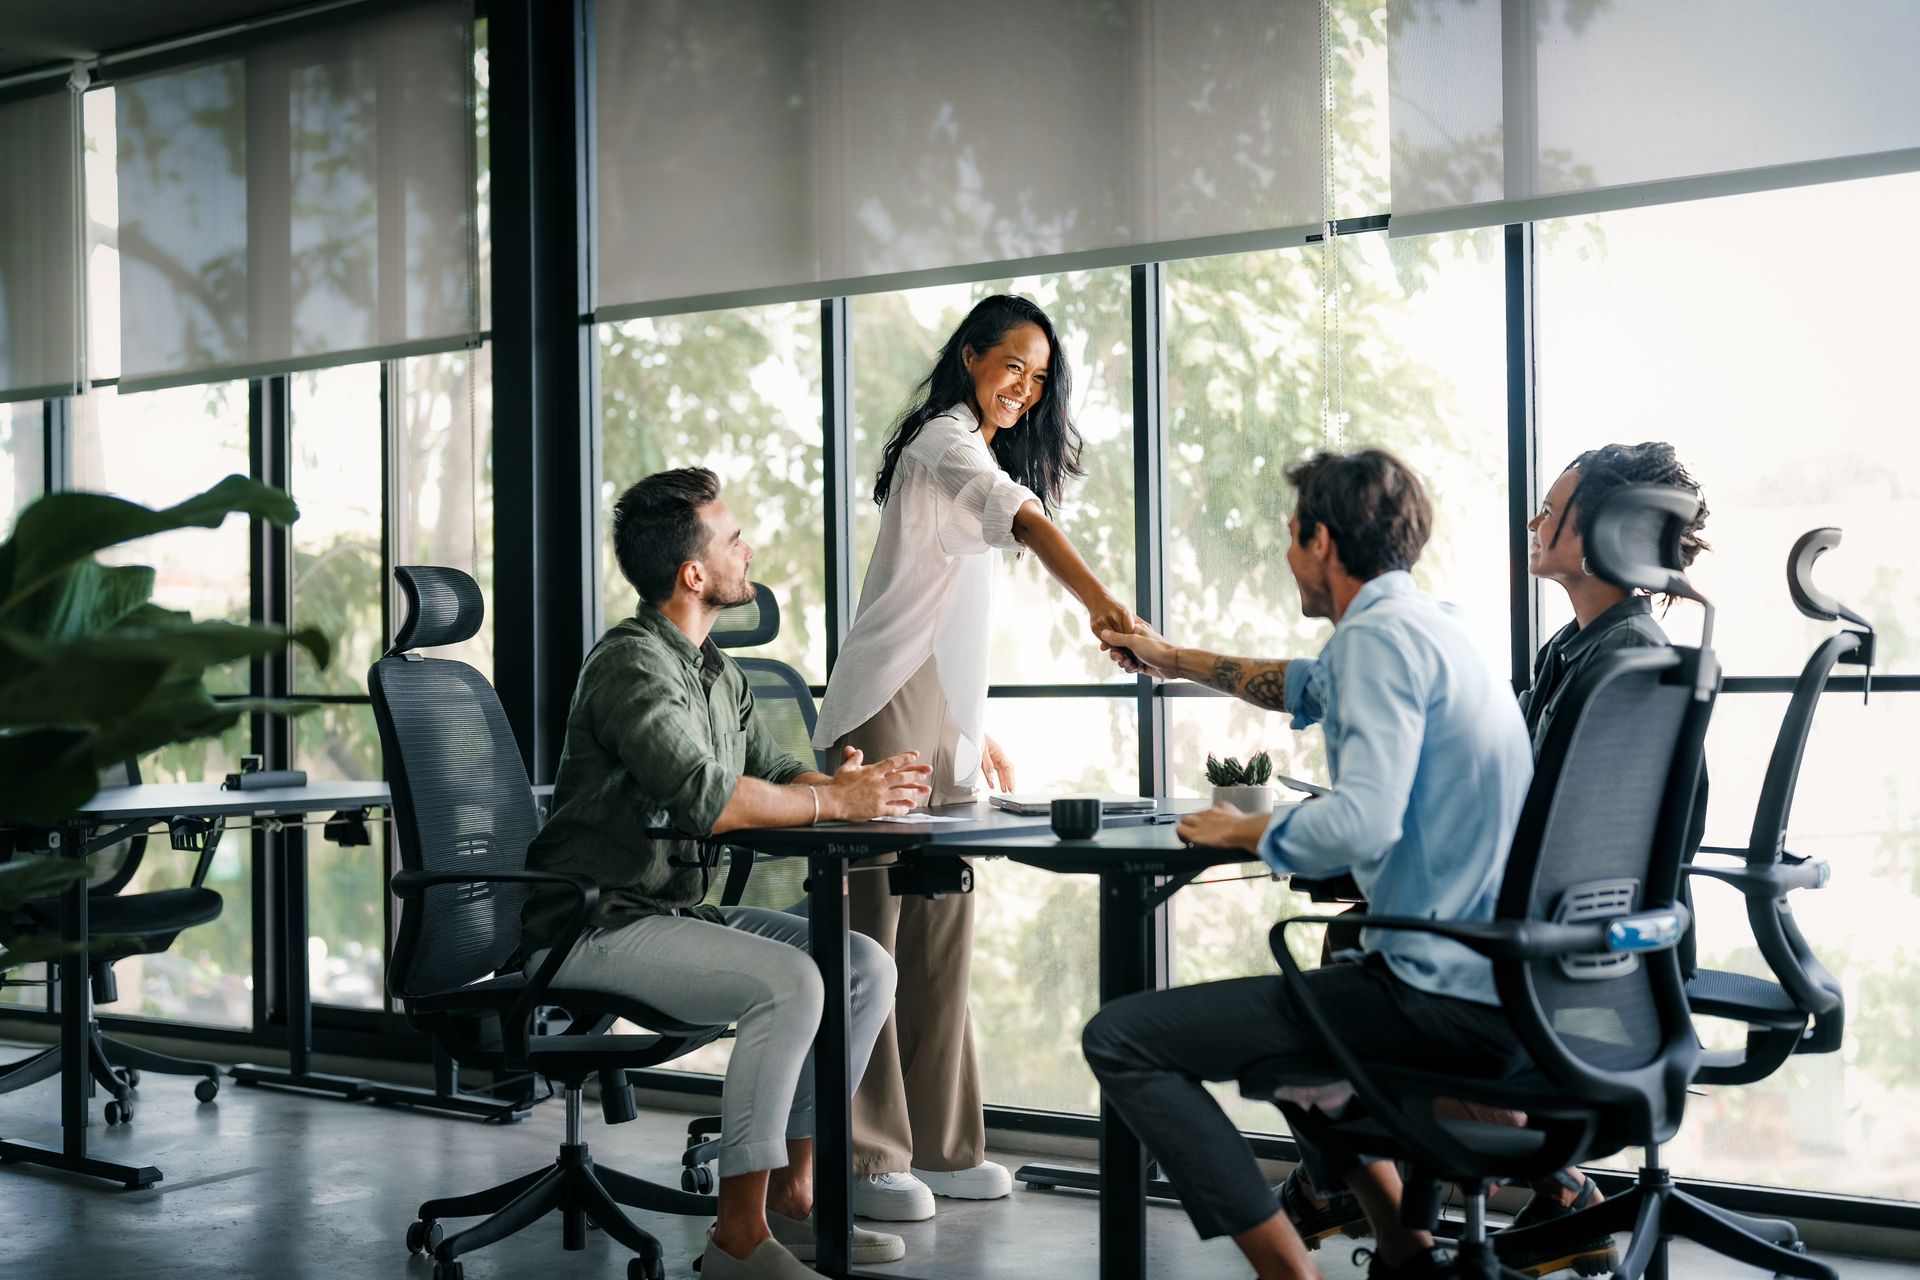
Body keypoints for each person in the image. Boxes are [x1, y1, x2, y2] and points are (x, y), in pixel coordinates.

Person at [1080, 448, 1534, 1280]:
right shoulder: (1439, 627)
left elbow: (1364, 821)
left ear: (1320, 540)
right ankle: (1408, 1254)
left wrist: (1242, 831)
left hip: (1434, 995)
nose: (1288, 555)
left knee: (1122, 1039)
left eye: (1292, 536)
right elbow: (1301, 685)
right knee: (1298, 1049)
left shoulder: (1376, 642)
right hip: (1499, 978)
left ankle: (1292, 1274)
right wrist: (1170, 658)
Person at [518, 467, 933, 1280]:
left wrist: (846, 785)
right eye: (733, 539)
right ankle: (736, 1239)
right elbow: (706, 798)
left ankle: (792, 1200)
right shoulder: (631, 665)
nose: (749, 550)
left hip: (670, 913)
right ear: (693, 574)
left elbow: (774, 770)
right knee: (791, 982)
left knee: (860, 967)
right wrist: (832, 804)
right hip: (590, 926)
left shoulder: (718, 671)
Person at [810, 294, 1139, 1221]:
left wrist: (968, 723)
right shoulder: (942, 445)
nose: (1023, 389)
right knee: (873, 942)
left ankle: (943, 1141)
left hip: (942, 714)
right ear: (971, 358)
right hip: (882, 710)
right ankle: (866, 1156)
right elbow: (1025, 519)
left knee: (942, 928)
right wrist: (1103, 606)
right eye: (1012, 367)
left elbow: (946, 610)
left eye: (1039, 379)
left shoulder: (977, 452)